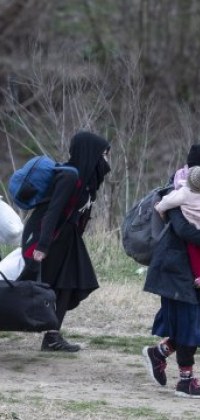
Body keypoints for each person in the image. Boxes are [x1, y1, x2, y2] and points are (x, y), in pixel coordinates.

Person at [142, 144, 200, 399]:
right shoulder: (177, 193)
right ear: (197, 169)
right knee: (189, 325)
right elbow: (183, 229)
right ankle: (186, 380)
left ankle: (159, 352)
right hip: (178, 270)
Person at [18, 131, 111, 352]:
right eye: (104, 154)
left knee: (69, 283)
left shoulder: (86, 181)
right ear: (91, 153)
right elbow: (52, 212)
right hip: (48, 237)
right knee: (35, 286)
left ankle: (52, 336)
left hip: (67, 238)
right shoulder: (69, 176)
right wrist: (42, 246)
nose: (106, 160)